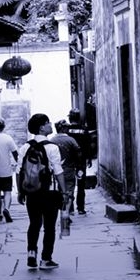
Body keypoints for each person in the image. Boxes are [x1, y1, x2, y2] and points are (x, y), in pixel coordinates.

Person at [17, 113, 68, 269]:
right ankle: (46, 259)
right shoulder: (52, 148)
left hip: (31, 192)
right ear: (41, 128)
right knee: (49, 227)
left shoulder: (25, 147)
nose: (50, 125)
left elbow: (19, 172)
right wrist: (64, 191)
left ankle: (31, 253)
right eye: (47, 123)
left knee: (34, 224)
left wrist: (20, 191)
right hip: (49, 192)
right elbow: (58, 171)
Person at [51, 120, 82, 216]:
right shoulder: (71, 140)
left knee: (61, 190)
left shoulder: (52, 140)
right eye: (67, 127)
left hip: (57, 170)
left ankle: (64, 210)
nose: (68, 129)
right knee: (70, 190)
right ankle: (67, 211)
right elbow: (79, 153)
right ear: (63, 129)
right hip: (69, 169)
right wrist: (79, 166)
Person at [66, 108, 92, 215]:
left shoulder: (66, 130)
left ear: (70, 118)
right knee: (81, 185)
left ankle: (70, 208)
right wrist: (89, 158)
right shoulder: (84, 129)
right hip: (81, 161)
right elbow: (88, 146)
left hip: (69, 162)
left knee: (70, 184)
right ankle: (80, 208)